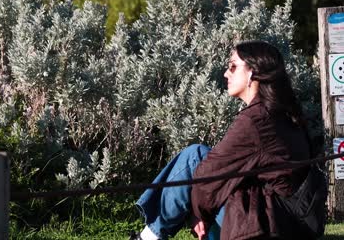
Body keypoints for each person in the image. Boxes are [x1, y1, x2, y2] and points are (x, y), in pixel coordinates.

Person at [130, 40, 315, 240]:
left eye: (233, 67)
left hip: (272, 225)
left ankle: (149, 237)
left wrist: (198, 214)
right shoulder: (281, 113)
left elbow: (208, 172)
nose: (226, 73)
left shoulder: (256, 120)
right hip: (288, 221)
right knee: (209, 171)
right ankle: (151, 235)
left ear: (252, 73)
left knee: (195, 157)